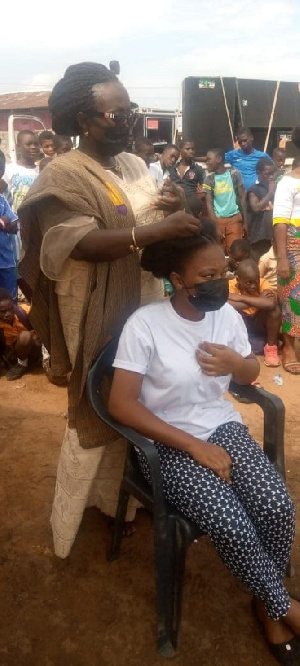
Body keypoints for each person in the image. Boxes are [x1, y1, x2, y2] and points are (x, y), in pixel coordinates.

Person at [17, 61, 201, 559]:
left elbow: (143, 218)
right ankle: (72, 515)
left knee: (143, 394)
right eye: (114, 113)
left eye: (130, 110)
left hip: (143, 298)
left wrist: (172, 204)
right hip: (95, 303)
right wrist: (154, 231)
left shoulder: (135, 166)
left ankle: (122, 501)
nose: (128, 120)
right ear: (82, 120)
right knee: (100, 400)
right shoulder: (64, 174)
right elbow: (77, 244)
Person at [108, 229, 300, 666]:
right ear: (177, 279)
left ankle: (265, 602)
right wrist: (193, 446)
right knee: (232, 524)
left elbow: (248, 376)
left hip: (221, 426)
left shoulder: (226, 316)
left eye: (223, 272)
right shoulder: (146, 324)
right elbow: (120, 403)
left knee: (276, 506)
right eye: (207, 274)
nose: (220, 281)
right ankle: (282, 609)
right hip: (167, 438)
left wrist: (239, 364)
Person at [273, 144, 300, 375]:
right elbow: (280, 221)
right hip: (294, 244)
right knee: (293, 297)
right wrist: (282, 257)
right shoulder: (287, 183)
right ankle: (289, 347)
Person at [228, 258, 281, 366]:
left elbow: (270, 303)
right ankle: (253, 345)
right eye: (248, 283)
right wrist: (259, 300)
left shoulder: (263, 282)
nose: (253, 286)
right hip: (242, 323)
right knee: (229, 312)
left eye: (256, 281)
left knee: (275, 310)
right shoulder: (230, 284)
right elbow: (228, 305)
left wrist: (240, 298)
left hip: (258, 323)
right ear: (238, 280)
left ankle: (271, 349)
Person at [203, 148, 247, 252]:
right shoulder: (209, 180)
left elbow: (242, 198)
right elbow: (209, 204)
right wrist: (216, 227)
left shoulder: (235, 175)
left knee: (236, 251)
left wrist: (246, 222)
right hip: (218, 220)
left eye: (209, 159)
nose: (206, 162)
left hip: (234, 219)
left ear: (219, 159)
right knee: (220, 252)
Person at [0, 288, 41, 380]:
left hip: (30, 349)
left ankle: (22, 365)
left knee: (25, 336)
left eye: (10, 309)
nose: (8, 314)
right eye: (2, 312)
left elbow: (44, 326)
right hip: (9, 354)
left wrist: (33, 336)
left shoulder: (24, 311)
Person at [247, 157, 277, 261]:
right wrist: (270, 193)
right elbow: (256, 208)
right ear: (258, 173)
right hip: (259, 237)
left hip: (274, 235)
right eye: (267, 174)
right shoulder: (254, 190)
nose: (271, 177)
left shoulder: (279, 188)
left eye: (272, 173)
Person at [0, 195, 18, 301]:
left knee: (10, 302)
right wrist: (4, 220)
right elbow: (8, 220)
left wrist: (2, 223)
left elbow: (14, 226)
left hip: (6, 262)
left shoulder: (1, 199)